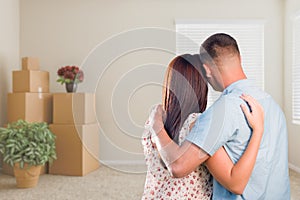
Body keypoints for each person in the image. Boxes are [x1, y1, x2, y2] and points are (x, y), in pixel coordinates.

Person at [142, 53, 265, 199]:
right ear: (201, 86)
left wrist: (157, 125)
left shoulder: (154, 119)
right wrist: (258, 130)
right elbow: (235, 182)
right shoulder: (198, 124)